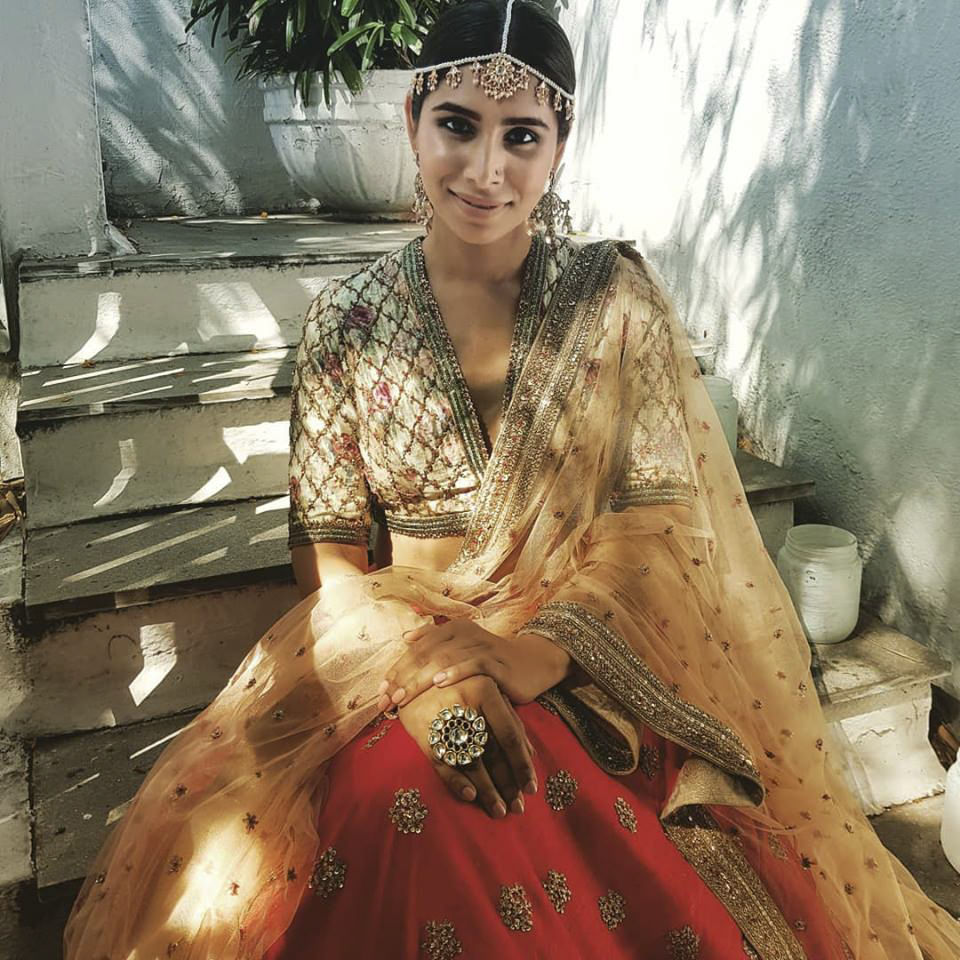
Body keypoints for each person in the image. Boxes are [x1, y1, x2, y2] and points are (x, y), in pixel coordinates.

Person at [64, 1, 960, 957]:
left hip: (584, 647)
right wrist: (415, 680)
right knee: (401, 801)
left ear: (559, 149)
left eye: (521, 136)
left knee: (550, 804)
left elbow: (659, 531)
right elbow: (329, 556)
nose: (486, 169)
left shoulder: (614, 304)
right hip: (396, 646)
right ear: (412, 121)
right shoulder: (346, 323)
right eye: (457, 125)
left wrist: (537, 653)